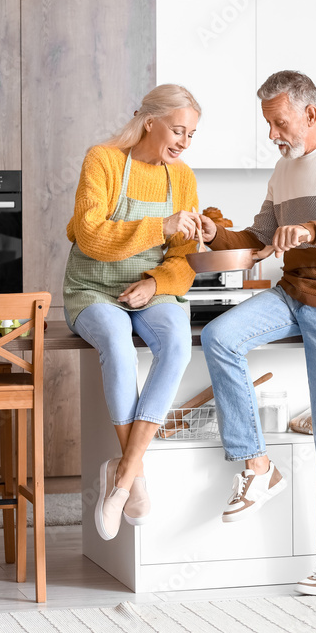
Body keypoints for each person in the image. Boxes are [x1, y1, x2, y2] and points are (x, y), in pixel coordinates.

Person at [195, 70, 316, 595]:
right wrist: (219, 234)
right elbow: (258, 238)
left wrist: (311, 230)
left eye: (280, 122)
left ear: (309, 112)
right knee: (220, 337)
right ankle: (259, 467)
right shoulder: (283, 171)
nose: (274, 133)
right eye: (269, 124)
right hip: (294, 293)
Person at [63, 84, 203, 541]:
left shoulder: (181, 177)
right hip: (93, 289)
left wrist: (155, 283)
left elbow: (184, 259)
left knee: (178, 345)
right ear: (150, 122)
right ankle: (135, 475)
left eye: (191, 134)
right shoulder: (102, 160)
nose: (183, 142)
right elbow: (89, 234)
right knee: (117, 344)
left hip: (150, 289)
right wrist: (158, 226)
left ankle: (119, 478)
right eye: (178, 130)